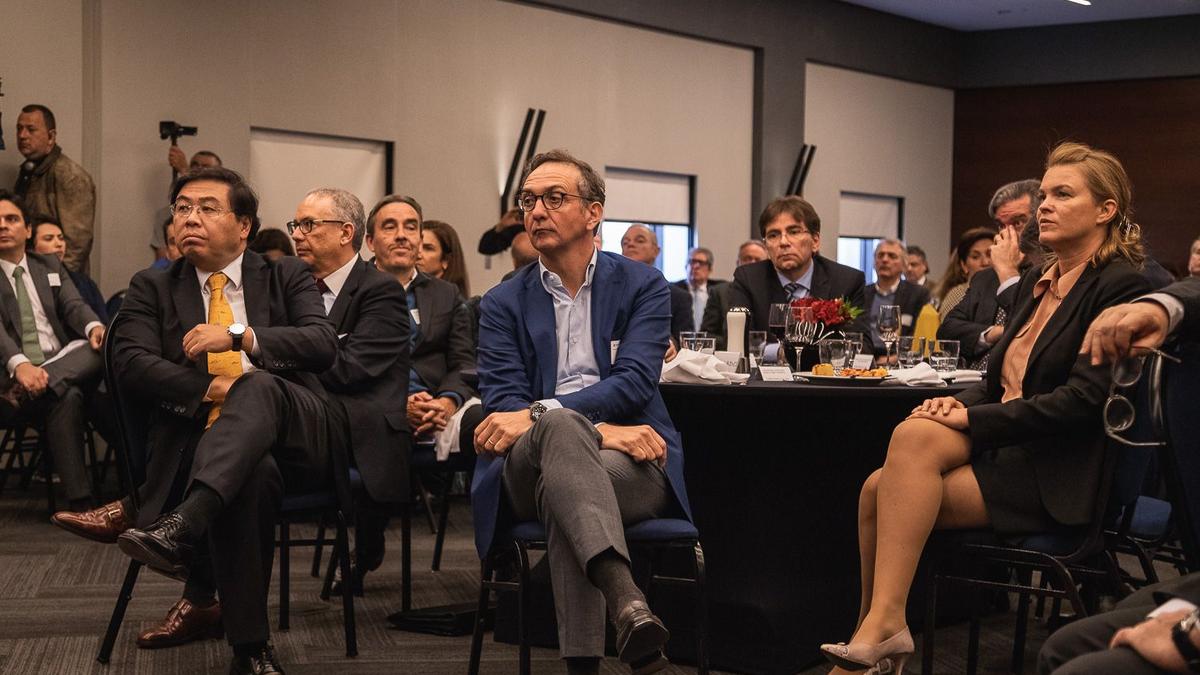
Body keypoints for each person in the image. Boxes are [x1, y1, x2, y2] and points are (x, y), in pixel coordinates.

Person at [819, 142, 1152, 675]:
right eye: (1044, 195)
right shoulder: (1038, 281)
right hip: (1008, 450)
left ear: (1105, 210)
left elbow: (1084, 402)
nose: (1044, 206)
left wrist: (971, 418)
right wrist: (955, 402)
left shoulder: (1120, 286)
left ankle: (876, 637)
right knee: (898, 453)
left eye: (1062, 195)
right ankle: (877, 633)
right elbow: (999, 380)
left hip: (1057, 468)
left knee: (886, 483)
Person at [64, 167, 339, 674]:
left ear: (244, 226)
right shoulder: (152, 285)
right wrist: (212, 389)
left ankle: (179, 524)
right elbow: (129, 363)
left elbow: (322, 345)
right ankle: (249, 649)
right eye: (183, 208)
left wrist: (241, 337)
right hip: (205, 446)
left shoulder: (285, 274)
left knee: (258, 385)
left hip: (298, 431)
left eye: (207, 208)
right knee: (252, 476)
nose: (190, 218)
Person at [473, 149, 692, 675]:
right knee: (560, 435)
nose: (537, 211)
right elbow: (503, 403)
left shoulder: (643, 285)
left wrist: (561, 420)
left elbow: (635, 380)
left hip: (630, 461)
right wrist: (598, 430)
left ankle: (589, 662)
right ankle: (627, 600)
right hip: (530, 460)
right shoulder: (502, 301)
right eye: (529, 200)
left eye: (554, 198)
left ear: (594, 213)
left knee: (565, 493)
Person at [363, 194, 482, 592]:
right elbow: (342, 365)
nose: (402, 235)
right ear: (370, 241)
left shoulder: (445, 294)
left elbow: (464, 362)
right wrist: (398, 403)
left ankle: (497, 557)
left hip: (439, 407)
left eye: (411, 226)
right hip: (377, 408)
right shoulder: (351, 292)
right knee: (377, 426)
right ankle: (368, 541)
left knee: (491, 429)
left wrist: (446, 402)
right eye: (390, 226)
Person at [0, 190, 105, 511]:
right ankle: (81, 503)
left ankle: (37, 386)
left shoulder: (47, 265)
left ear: (27, 229)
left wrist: (94, 326)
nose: (2, 226)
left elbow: (74, 305)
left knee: (101, 345)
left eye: (11, 219)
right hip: (9, 376)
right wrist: (19, 365)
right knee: (68, 396)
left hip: (57, 364)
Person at [724, 195, 867, 337]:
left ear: (815, 241)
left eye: (793, 232)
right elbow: (737, 339)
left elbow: (860, 343)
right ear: (766, 246)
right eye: (773, 235)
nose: (783, 242)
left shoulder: (846, 281)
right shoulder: (748, 279)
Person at [938, 179, 1043, 367]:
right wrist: (995, 332)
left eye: (1018, 222)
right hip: (974, 380)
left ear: (1041, 220)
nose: (1006, 234)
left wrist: (1008, 272)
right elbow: (947, 331)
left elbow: (1034, 329)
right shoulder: (985, 278)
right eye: (1001, 225)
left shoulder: (1052, 273)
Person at [13, 105, 96, 273]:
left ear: (51, 137)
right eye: (19, 129)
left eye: (31, 130)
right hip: (33, 272)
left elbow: (76, 245)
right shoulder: (29, 171)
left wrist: (58, 282)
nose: (22, 135)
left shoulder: (71, 176)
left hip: (58, 279)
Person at [28, 216, 108, 322]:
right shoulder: (25, 281)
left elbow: (103, 321)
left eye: (61, 238)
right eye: (48, 239)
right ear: (31, 247)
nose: (59, 244)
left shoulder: (83, 282)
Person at [620, 224, 693, 338]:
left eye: (639, 241)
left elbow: (684, 340)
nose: (630, 244)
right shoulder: (610, 291)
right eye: (625, 242)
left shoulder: (679, 297)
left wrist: (670, 343)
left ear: (656, 251)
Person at [863, 239, 931, 357]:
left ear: (904, 265)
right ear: (874, 262)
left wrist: (896, 358)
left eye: (892, 256)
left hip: (899, 357)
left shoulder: (917, 294)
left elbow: (918, 334)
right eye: (880, 255)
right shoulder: (863, 293)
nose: (885, 260)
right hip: (864, 357)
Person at [153, 149, 223, 259]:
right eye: (195, 165)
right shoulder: (167, 213)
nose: (199, 170)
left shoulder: (224, 211)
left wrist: (184, 170)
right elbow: (161, 260)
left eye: (206, 167)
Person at [699, 239, 768, 342]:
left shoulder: (773, 292)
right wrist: (734, 342)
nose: (752, 263)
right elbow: (706, 334)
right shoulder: (719, 292)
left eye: (758, 260)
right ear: (738, 262)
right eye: (747, 258)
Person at [934, 227, 996, 320]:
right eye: (975, 257)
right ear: (964, 265)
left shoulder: (1008, 290)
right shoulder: (959, 295)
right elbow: (950, 327)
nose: (985, 262)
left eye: (990, 254)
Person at [673, 247, 725, 334]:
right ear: (686, 266)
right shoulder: (674, 291)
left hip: (710, 339)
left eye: (701, 263)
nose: (695, 266)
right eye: (692, 262)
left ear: (710, 269)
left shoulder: (718, 292)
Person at [418, 219, 471, 298]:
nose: (418, 254)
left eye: (428, 248)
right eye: (416, 246)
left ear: (446, 259)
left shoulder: (454, 302)